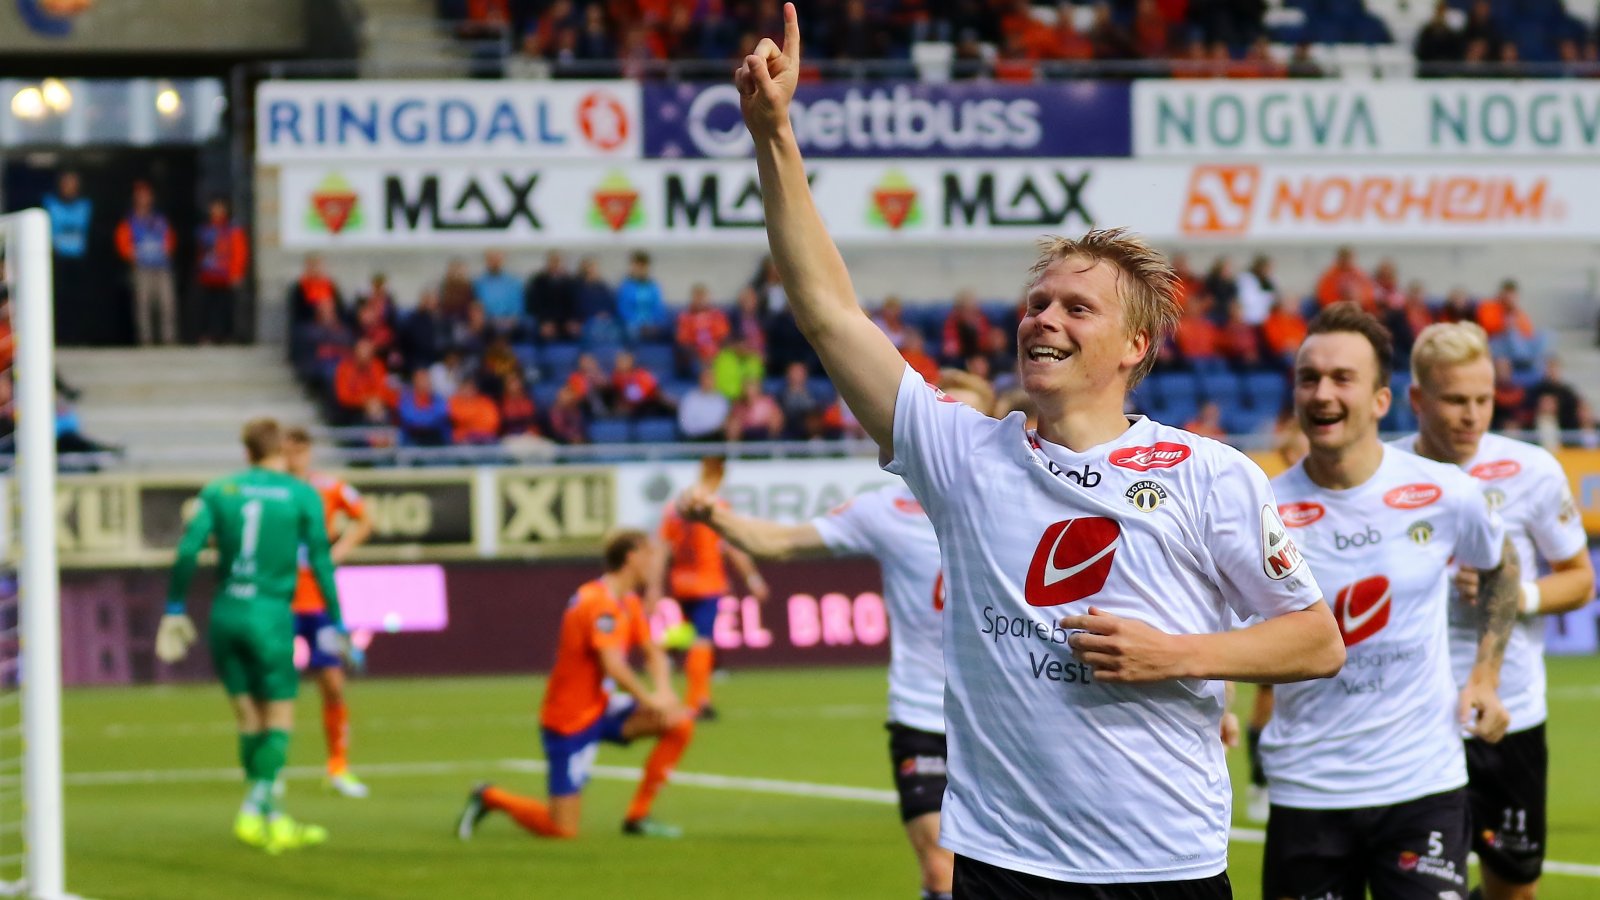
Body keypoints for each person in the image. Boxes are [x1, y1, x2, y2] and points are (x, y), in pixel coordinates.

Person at [735, 9, 1345, 894]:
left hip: (1166, 865)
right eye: (1037, 303)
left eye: (1077, 308)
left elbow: (1317, 641)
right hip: (1004, 867)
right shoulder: (958, 455)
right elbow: (829, 314)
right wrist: (775, 136)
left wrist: (1176, 655)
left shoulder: (1209, 474)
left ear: (1135, 346)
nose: (1044, 319)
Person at [678, 369, 996, 900]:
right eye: (948, 419)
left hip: (1002, 719)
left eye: (970, 419)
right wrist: (715, 517)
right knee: (940, 867)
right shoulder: (886, 511)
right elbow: (780, 542)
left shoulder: (1025, 502)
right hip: (922, 713)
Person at [1261, 303, 1521, 900]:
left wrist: (1485, 676)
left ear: (1381, 400)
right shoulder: (1261, 510)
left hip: (1423, 783)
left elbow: (1501, 566)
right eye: (1309, 378)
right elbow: (1224, 623)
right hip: (1308, 788)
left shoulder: (1447, 492)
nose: (1323, 393)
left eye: (1342, 378)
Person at [1393, 321, 1594, 900]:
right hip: (1415, 722)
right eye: (1455, 400)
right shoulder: (1384, 474)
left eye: (1483, 400)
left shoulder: (1532, 469)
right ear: (1417, 398)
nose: (1472, 416)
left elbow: (1580, 580)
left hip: (1510, 717)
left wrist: (1516, 594)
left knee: (1515, 891)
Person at [156, 418, 350, 853]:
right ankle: (252, 810)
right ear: (281, 449)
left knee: (248, 720)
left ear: (246, 452)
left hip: (226, 612)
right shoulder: (301, 493)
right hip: (271, 615)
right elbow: (321, 561)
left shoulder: (220, 490)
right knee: (279, 718)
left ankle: (273, 818)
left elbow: (188, 549)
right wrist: (338, 622)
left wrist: (174, 608)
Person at [456, 529, 695, 840]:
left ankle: (637, 817)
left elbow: (652, 652)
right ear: (632, 557)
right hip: (570, 719)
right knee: (562, 829)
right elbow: (613, 666)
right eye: (650, 555)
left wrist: (665, 691)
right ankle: (489, 796)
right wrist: (650, 701)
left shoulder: (628, 601)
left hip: (602, 707)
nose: (655, 563)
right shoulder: (597, 603)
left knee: (679, 722)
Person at [283, 428, 375, 798]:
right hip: (279, 601)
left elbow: (365, 518)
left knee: (333, 685)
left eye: (301, 450)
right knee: (276, 689)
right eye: (289, 450)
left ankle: (338, 767)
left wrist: (340, 551)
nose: (295, 457)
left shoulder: (330, 487)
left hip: (319, 603)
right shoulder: (273, 491)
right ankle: (271, 771)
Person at [656, 457, 769, 721]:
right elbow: (734, 547)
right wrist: (753, 579)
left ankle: (666, 648)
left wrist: (654, 586)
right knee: (702, 639)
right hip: (707, 582)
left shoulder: (674, 508)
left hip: (681, 582)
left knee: (690, 634)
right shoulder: (716, 507)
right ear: (718, 476)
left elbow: (662, 548)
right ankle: (699, 700)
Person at [115, 180, 178, 345]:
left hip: (162, 267)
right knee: (143, 305)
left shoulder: (160, 219)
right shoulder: (129, 221)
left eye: (146, 195)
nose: (143, 199)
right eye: (140, 195)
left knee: (167, 304)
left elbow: (170, 239)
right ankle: (145, 340)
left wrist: (166, 250)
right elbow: (122, 242)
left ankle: (168, 339)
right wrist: (131, 254)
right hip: (141, 267)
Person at [195, 198, 249, 345]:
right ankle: (208, 335)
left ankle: (227, 336)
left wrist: (237, 272)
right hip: (208, 276)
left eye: (219, 208)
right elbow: (201, 252)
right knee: (208, 308)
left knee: (227, 308)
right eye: (213, 208)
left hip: (226, 276)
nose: (216, 211)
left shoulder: (233, 229)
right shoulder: (205, 229)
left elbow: (240, 252)